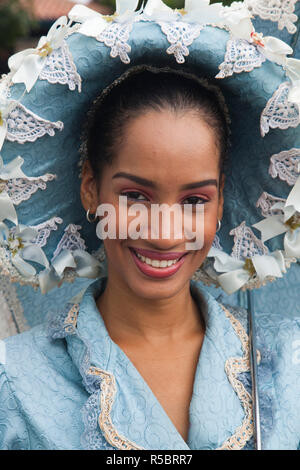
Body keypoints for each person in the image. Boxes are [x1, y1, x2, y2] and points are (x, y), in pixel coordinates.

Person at [0, 1, 300, 450]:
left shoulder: (290, 363)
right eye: (136, 196)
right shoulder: (15, 382)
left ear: (221, 202)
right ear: (90, 189)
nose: (163, 233)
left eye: (195, 200)